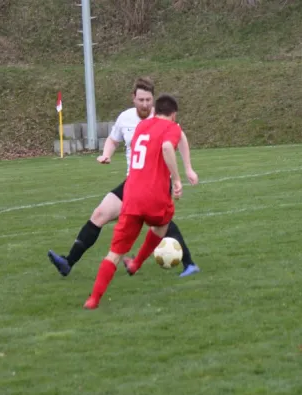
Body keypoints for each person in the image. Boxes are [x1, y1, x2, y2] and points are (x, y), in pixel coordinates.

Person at [48, 77, 201, 278]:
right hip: (132, 183)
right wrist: (106, 154)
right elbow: (113, 139)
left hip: (156, 183)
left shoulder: (161, 119)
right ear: (133, 98)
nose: (145, 104)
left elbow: (180, 136)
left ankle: (189, 263)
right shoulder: (125, 118)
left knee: (162, 224)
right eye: (141, 100)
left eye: (148, 100)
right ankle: (68, 262)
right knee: (100, 214)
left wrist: (188, 169)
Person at [84, 94, 185, 309]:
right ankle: (137, 263)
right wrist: (177, 179)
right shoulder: (172, 128)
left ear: (154, 110)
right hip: (155, 195)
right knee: (163, 224)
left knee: (114, 253)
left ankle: (93, 299)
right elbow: (167, 148)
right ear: (173, 114)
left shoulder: (141, 127)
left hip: (131, 195)